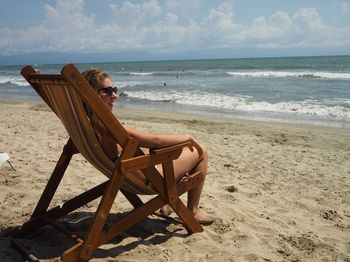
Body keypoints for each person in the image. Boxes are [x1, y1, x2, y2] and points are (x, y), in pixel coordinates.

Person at [82, 68, 214, 225]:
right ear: (93, 95)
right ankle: (193, 211)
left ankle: (167, 204)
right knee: (201, 151)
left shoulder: (87, 123)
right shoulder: (108, 126)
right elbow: (156, 140)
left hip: (128, 175)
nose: (115, 96)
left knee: (175, 151)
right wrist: (188, 138)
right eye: (108, 91)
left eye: (115, 89)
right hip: (147, 179)